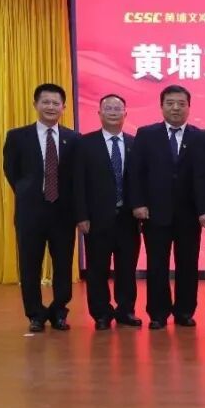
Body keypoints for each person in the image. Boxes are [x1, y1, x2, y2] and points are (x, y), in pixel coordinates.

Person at [130, 84, 205, 330]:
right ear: (161, 106)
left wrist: (204, 210)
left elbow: (203, 177)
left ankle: (185, 312)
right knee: (157, 264)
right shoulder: (146, 134)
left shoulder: (199, 137)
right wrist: (138, 203)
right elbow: (136, 173)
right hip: (155, 212)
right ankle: (158, 313)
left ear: (189, 107)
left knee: (188, 264)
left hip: (189, 214)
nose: (176, 108)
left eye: (181, 104)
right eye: (170, 103)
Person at [2, 83, 78, 332]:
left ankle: (59, 311)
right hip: (30, 213)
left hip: (63, 214)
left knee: (63, 266)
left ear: (63, 107)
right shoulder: (17, 136)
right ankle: (35, 314)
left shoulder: (73, 139)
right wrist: (28, 192)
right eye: (45, 102)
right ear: (35, 104)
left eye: (56, 103)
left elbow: (76, 177)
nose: (50, 107)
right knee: (30, 265)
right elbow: (11, 171)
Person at [73, 94, 140, 330]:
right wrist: (81, 215)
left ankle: (125, 310)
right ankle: (101, 313)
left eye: (117, 108)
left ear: (125, 113)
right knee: (97, 269)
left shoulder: (134, 143)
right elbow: (78, 183)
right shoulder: (84, 144)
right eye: (108, 108)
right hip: (96, 219)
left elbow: (141, 181)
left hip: (128, 219)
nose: (113, 112)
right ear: (99, 113)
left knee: (127, 269)